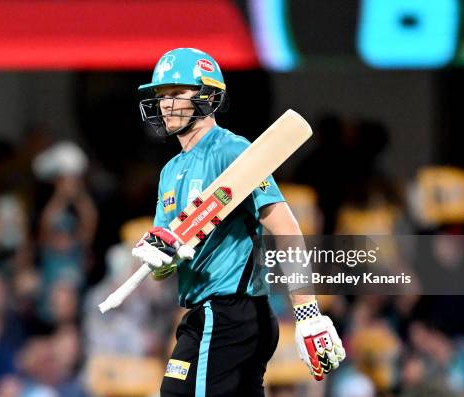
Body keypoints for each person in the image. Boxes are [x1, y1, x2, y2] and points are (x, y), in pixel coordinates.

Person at [132, 48, 346, 396]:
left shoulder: (232, 152)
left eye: (175, 93)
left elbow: (286, 228)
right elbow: (168, 259)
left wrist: (308, 313)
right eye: (160, 95)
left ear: (207, 94)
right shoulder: (170, 171)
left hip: (231, 311)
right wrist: (159, 259)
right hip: (204, 314)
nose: (164, 104)